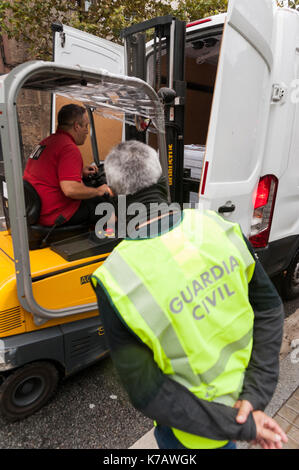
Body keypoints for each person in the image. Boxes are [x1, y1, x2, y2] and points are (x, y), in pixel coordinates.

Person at [91, 140, 288, 450]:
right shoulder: (219, 227)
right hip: (245, 406)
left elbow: (147, 391)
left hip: (190, 434)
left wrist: (241, 425)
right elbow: (269, 309)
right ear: (162, 180)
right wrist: (253, 400)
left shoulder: (115, 278)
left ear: (114, 196)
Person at [23, 104, 111, 227]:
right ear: (76, 126)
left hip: (36, 209)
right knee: (107, 209)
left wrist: (79, 173)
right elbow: (70, 190)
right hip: (55, 214)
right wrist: (98, 191)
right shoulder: (68, 148)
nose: (87, 131)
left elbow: (49, 172)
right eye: (85, 126)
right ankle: (112, 242)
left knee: (91, 195)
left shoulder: (47, 142)